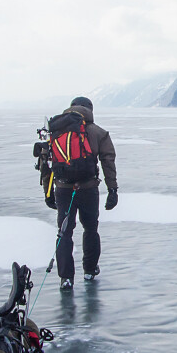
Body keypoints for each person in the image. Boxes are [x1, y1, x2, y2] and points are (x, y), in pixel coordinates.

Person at [48, 96, 118, 289]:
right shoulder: (98, 132)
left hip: (63, 189)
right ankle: (90, 270)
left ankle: (66, 278)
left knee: (64, 232)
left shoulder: (56, 130)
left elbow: (46, 162)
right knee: (91, 229)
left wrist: (48, 193)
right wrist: (112, 189)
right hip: (88, 189)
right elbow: (108, 161)